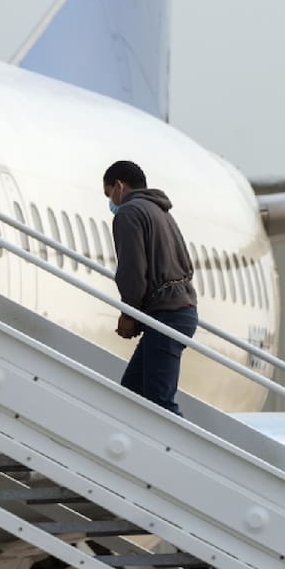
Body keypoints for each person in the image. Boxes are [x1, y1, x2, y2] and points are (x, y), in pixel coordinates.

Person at [104, 160, 198, 415]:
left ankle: (179, 453)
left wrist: (129, 314)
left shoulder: (129, 213)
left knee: (160, 403)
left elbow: (133, 270)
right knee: (133, 391)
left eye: (108, 193)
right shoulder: (160, 211)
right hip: (181, 310)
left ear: (119, 187)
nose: (111, 202)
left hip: (167, 314)